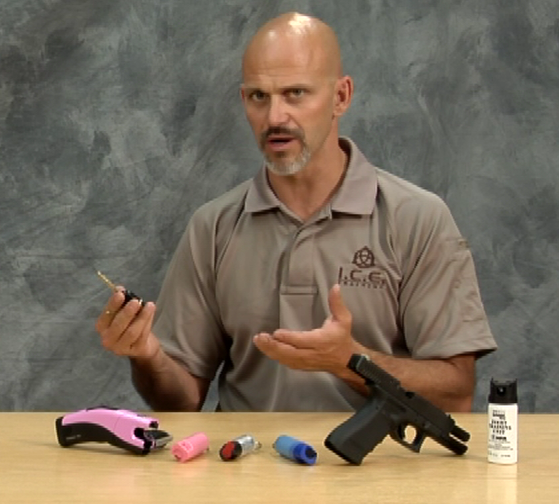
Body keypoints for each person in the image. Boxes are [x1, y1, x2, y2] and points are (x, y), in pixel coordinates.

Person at [95, 12, 497, 412]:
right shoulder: (213, 227)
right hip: (243, 468)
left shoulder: (418, 219)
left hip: (377, 472)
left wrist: (352, 363)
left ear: (341, 96)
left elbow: (456, 392)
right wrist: (146, 355)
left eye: (296, 94)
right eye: (259, 97)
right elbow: (180, 400)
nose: (274, 118)